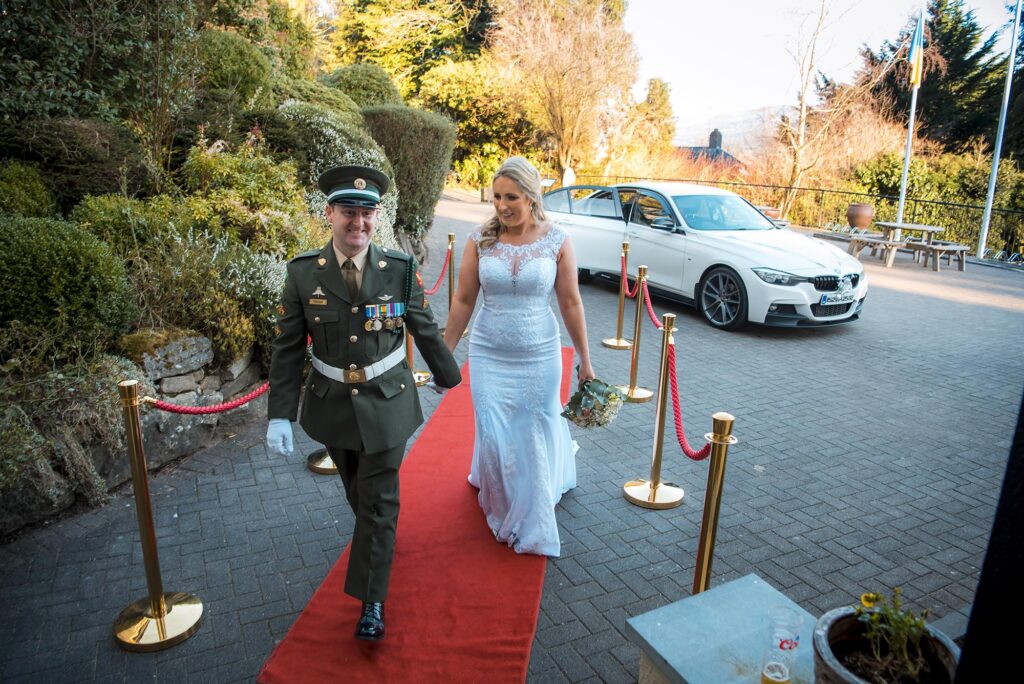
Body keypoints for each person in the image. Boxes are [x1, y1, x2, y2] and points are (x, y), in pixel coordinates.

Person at [265, 165, 461, 642]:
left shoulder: (399, 270)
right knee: (360, 495)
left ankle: (371, 602)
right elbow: (289, 348)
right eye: (348, 212)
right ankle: (381, 537)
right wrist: (279, 414)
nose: (359, 223)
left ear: (378, 218)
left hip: (388, 402)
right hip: (331, 407)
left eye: (367, 214)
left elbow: (424, 327)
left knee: (376, 499)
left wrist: (447, 375)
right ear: (329, 214)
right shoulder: (302, 274)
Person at [442, 156, 595, 557]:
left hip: (539, 355)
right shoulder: (480, 240)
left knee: (531, 432)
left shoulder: (557, 240)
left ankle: (531, 512)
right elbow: (462, 300)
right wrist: (445, 353)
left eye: (511, 197)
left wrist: (586, 360)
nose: (502, 206)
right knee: (493, 434)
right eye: (496, 197)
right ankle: (502, 502)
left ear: (531, 196)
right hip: (489, 353)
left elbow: (571, 303)